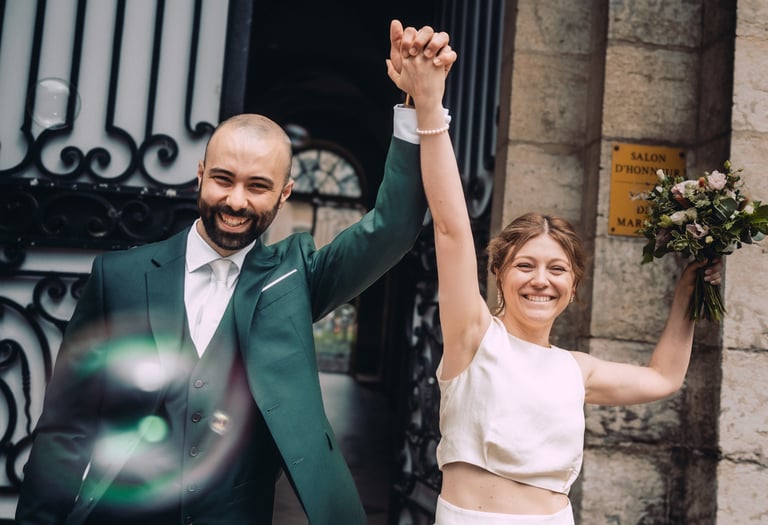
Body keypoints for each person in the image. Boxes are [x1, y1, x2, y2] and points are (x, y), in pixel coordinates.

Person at [15, 21, 456, 525]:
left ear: (285, 193)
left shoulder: (298, 277)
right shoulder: (118, 277)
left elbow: (392, 229)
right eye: (223, 179)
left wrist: (417, 104)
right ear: (200, 173)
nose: (236, 201)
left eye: (258, 186)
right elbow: (67, 427)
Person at [387, 48, 723, 525]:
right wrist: (428, 106)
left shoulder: (576, 370)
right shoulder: (474, 337)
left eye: (557, 270)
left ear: (573, 284)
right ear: (498, 273)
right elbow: (451, 228)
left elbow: (663, 377)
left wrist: (688, 291)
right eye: (525, 265)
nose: (541, 280)